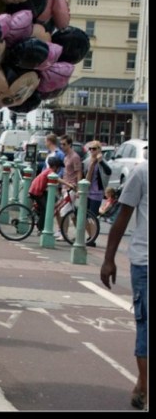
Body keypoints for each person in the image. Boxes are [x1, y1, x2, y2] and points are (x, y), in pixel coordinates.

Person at [100, 158, 148, 411]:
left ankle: (144, 381)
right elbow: (122, 216)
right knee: (146, 324)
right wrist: (108, 259)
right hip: (145, 262)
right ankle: (145, 383)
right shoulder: (142, 173)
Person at [29, 156, 72, 233]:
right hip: (36, 192)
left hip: (40, 191)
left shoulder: (48, 171)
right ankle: (41, 228)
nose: (59, 170)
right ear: (55, 167)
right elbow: (57, 179)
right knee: (45, 209)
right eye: (59, 168)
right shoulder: (50, 172)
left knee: (55, 200)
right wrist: (68, 184)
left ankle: (40, 215)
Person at [54, 134, 83, 241]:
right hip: (65, 187)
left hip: (72, 187)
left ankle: (64, 234)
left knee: (64, 211)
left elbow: (78, 172)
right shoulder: (66, 156)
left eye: (64, 144)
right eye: (61, 144)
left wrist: (79, 189)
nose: (62, 146)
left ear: (70, 145)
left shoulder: (75, 157)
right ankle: (78, 234)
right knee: (70, 213)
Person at [83, 140, 112, 217]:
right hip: (87, 192)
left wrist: (100, 162)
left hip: (97, 193)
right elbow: (84, 177)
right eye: (90, 148)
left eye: (94, 148)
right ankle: (89, 229)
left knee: (92, 217)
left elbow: (108, 172)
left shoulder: (102, 161)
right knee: (84, 216)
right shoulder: (87, 161)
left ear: (99, 149)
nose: (92, 150)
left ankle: (93, 229)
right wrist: (92, 165)